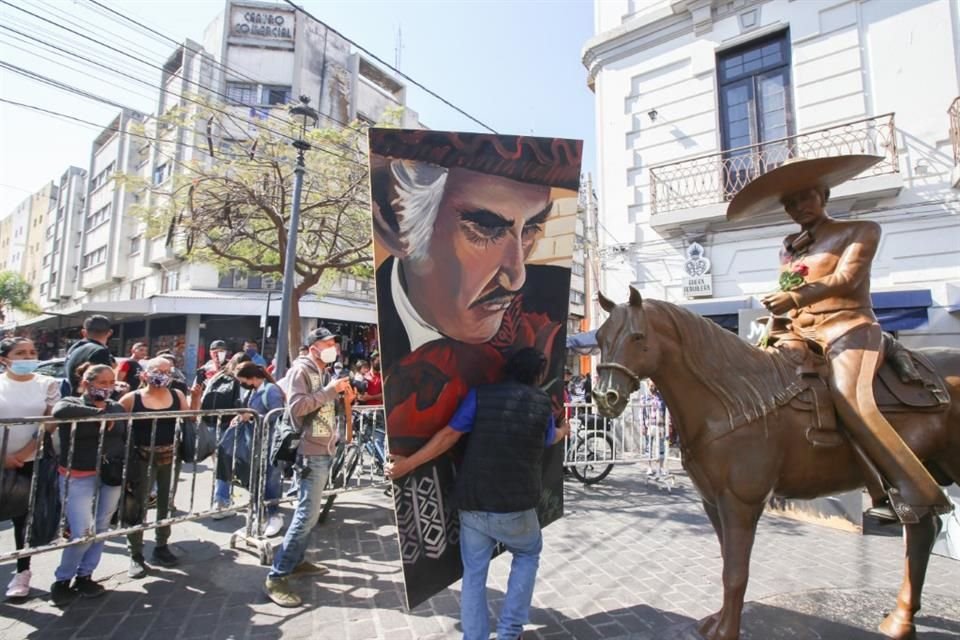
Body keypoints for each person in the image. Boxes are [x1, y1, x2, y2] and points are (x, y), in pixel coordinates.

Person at [727, 155, 953, 523]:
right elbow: (792, 291)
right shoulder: (790, 247)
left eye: (805, 198)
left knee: (850, 397)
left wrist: (795, 297)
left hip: (848, 328)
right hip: (800, 333)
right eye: (790, 204)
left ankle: (912, 488)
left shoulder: (861, 230)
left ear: (823, 195)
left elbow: (846, 279)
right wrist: (778, 318)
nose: (797, 208)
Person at [386, 348, 570, 640]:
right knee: (528, 552)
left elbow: (448, 436)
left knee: (474, 574)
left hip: (473, 504)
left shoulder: (480, 395)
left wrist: (408, 464)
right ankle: (509, 632)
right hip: (517, 507)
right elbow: (549, 437)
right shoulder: (542, 403)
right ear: (537, 374)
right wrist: (564, 430)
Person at [264, 326, 355, 608]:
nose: (334, 348)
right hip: (310, 453)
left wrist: (344, 398)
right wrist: (330, 391)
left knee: (310, 515)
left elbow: (326, 408)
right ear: (314, 346)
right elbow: (297, 408)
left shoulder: (324, 373)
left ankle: (296, 560)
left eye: (335, 344)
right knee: (306, 516)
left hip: (324, 450)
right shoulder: (300, 371)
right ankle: (277, 576)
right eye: (328, 343)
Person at [48, 363, 126, 606]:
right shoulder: (72, 402)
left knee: (102, 526)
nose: (107, 387)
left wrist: (106, 414)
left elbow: (121, 424)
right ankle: (62, 580)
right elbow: (60, 410)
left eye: (111, 382)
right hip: (78, 475)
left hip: (109, 475)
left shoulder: (116, 406)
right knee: (82, 530)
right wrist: (97, 415)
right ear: (86, 383)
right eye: (102, 382)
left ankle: (86, 575)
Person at [119, 357, 191, 577]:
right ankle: (136, 554)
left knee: (165, 504)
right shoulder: (132, 399)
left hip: (170, 458)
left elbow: (190, 419)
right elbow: (115, 425)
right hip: (140, 460)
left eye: (167, 371)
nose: (162, 374)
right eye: (157, 370)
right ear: (145, 374)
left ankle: (161, 546)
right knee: (137, 506)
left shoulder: (177, 396)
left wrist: (195, 398)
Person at [0, 337, 60, 598]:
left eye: (32, 352)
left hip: (31, 461)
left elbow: (49, 423)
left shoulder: (47, 384)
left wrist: (22, 454)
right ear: (4, 358)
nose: (28, 357)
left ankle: (22, 572)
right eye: (20, 353)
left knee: (23, 519)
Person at [234, 362, 285, 537]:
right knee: (256, 478)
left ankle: (273, 514)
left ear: (252, 378)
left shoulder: (271, 390)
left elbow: (278, 415)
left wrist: (254, 417)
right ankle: (259, 514)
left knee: (270, 479)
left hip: (270, 443)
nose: (243, 384)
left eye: (243, 380)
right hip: (256, 443)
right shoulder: (254, 391)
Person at [206, 352, 251, 518]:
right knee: (225, 466)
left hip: (211, 424)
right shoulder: (240, 381)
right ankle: (221, 501)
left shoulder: (218, 376)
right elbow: (243, 403)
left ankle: (222, 499)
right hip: (230, 426)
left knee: (221, 465)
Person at [64, 315, 115, 396]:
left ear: (84, 332)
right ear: (109, 333)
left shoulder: (74, 348)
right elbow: (103, 385)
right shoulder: (100, 351)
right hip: (91, 403)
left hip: (73, 399)